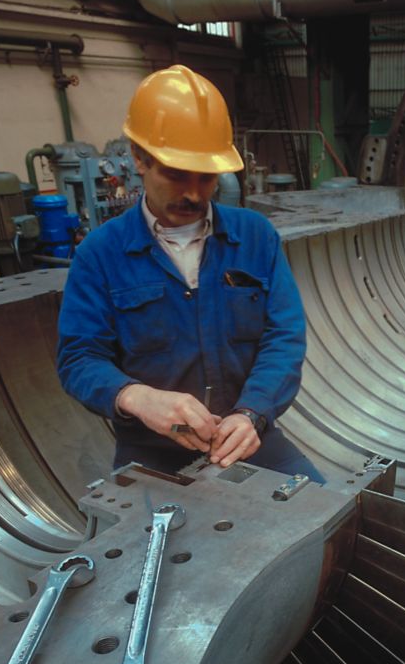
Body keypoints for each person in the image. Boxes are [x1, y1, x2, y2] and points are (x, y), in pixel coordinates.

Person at [56, 64, 323, 481]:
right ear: (139, 158)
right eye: (176, 174)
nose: (194, 193)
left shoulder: (256, 238)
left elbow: (283, 337)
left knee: (326, 518)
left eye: (207, 177)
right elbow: (79, 358)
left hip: (246, 436)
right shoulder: (99, 255)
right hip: (152, 450)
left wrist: (254, 412)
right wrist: (137, 397)